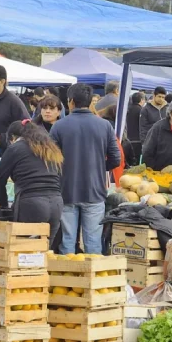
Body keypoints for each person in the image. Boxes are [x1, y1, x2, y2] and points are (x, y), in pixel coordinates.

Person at [50, 83, 120, 255]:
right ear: (90, 103)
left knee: (67, 242)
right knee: (93, 243)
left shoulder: (59, 126)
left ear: (71, 102)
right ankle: (94, 279)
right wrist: (97, 167)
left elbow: (50, 160)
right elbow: (115, 158)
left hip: (66, 191)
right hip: (95, 191)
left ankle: (66, 279)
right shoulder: (104, 126)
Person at [0, 119, 64, 248]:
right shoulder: (50, 147)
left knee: (21, 252)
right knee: (43, 252)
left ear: (13, 138)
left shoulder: (15, 148)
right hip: (56, 203)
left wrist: (3, 204)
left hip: (31, 204)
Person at [126, 92, 145, 165]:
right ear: (141, 100)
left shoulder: (127, 109)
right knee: (136, 163)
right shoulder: (142, 110)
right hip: (138, 140)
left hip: (127, 140)